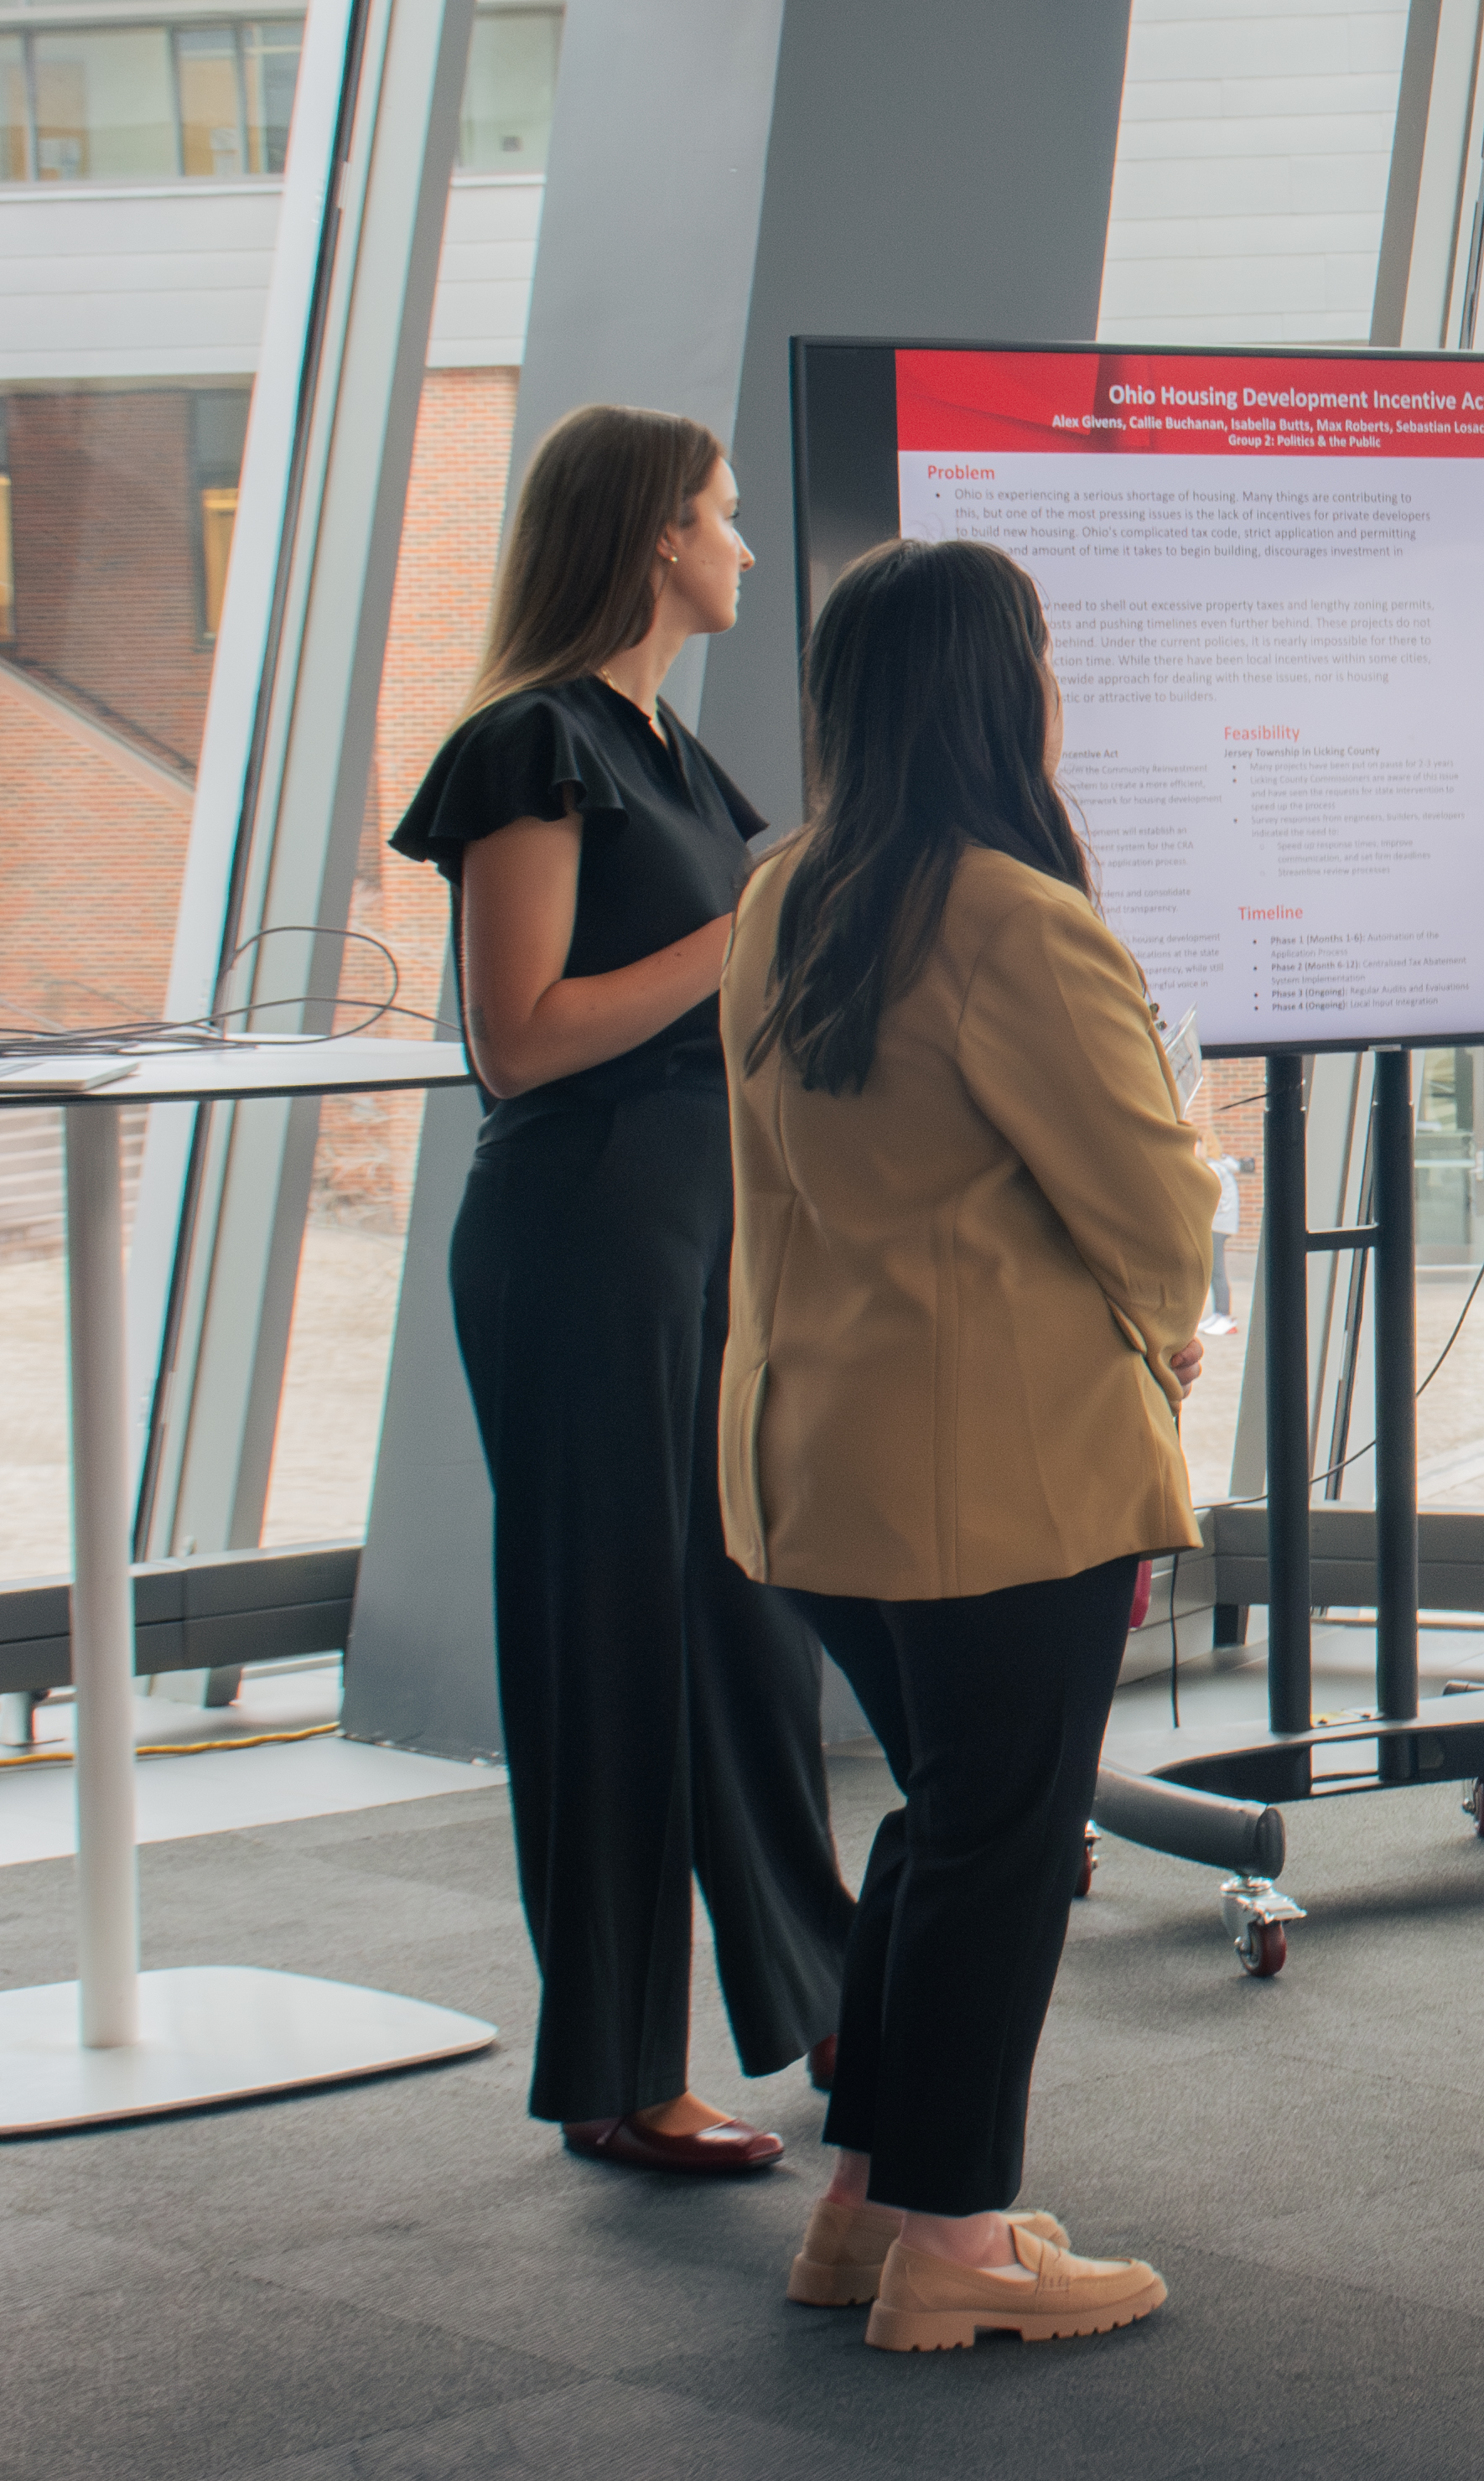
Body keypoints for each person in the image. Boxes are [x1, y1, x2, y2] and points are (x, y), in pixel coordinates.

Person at [721, 536, 1215, 2352]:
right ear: (1001, 690)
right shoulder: (1014, 914)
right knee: (1003, 1838)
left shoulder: (783, 895)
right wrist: (1175, 1261)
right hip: (1003, 1471)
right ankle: (956, 2240)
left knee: (945, 1819)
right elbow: (1153, 1211)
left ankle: (865, 2199)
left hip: (817, 1461)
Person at [386, 404, 850, 2175]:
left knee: (744, 1618)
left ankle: (822, 1994)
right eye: (725, 518)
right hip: (582, 1234)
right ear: (656, 534)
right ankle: (614, 2067)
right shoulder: (534, 743)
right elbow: (519, 1040)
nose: (744, 546)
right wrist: (739, 932)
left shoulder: (669, 746)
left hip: (702, 1230)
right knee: (604, 1649)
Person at [1201, 1148, 1243, 1337]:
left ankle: (1224, 1317)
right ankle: (1219, 1314)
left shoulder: (1213, 1168)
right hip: (1221, 1224)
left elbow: (1210, 1197)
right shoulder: (1220, 1166)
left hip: (1216, 1224)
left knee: (1217, 1271)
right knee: (1215, 1271)